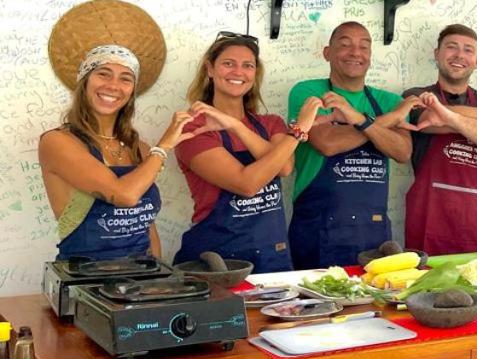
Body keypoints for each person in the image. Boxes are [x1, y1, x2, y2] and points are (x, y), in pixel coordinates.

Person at [175, 32, 322, 271]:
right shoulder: (193, 128)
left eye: (247, 65)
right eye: (228, 63)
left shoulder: (271, 123)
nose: (238, 72)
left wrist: (236, 126)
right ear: (210, 69)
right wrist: (299, 131)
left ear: (255, 74)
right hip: (218, 261)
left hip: (273, 257)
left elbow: (284, 168)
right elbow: (246, 184)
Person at [39, 45, 194, 261]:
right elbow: (125, 196)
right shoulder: (58, 141)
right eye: (103, 74)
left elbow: (147, 225)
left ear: (131, 91)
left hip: (141, 276)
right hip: (84, 275)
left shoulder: (140, 149)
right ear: (85, 81)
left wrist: (158, 272)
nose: (113, 85)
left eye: (125, 79)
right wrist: (163, 147)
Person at [385, 24, 477, 255]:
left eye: (468, 50)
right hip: (430, 217)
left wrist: (447, 116)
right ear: (437, 54)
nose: (459, 55)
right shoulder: (414, 95)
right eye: (451, 47)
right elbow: (428, 120)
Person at [286, 22, 410, 268]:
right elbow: (328, 143)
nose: (355, 52)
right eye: (345, 45)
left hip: (374, 231)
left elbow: (402, 151)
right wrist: (386, 122)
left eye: (364, 47)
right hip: (317, 230)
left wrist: (359, 120)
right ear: (327, 53)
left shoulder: (390, 100)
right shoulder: (309, 92)